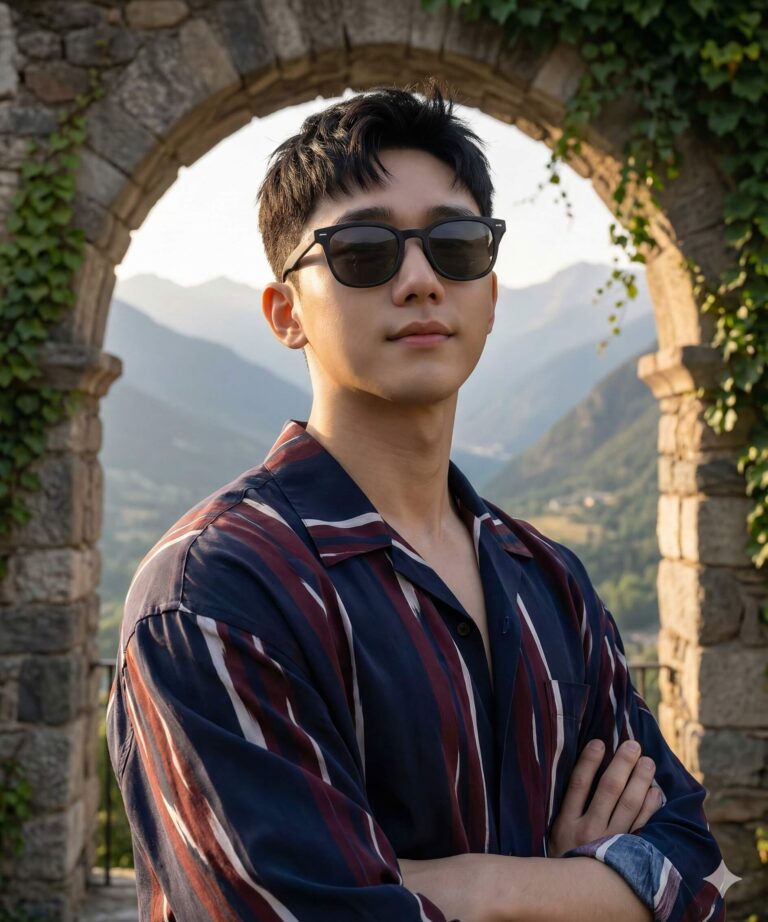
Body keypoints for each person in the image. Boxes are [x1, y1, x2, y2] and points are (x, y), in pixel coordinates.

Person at [106, 82, 738, 921]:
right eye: (364, 252)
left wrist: (476, 887)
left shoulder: (549, 581)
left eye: (456, 245)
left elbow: (700, 875)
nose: (417, 280)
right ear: (285, 312)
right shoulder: (214, 596)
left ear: (491, 291)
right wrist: (589, 889)